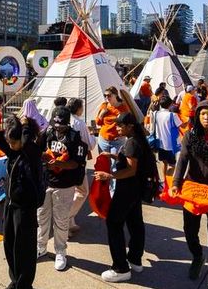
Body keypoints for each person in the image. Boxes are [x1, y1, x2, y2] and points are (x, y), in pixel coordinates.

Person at [169, 101, 208, 289]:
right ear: (197, 116)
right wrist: (176, 183)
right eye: (203, 114)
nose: (207, 117)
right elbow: (182, 160)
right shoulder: (190, 136)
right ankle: (197, 255)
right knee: (189, 231)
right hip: (193, 191)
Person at [94, 113, 150, 283]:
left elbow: (131, 170)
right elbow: (131, 162)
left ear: (130, 126)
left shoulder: (132, 142)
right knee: (135, 223)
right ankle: (134, 259)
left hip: (127, 190)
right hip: (135, 190)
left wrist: (109, 175)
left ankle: (120, 268)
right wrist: (114, 157)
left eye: (120, 125)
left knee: (113, 223)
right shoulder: (136, 140)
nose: (117, 128)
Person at [0, 115, 42, 289]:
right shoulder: (13, 152)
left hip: (25, 209)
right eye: (9, 142)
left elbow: (27, 145)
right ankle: (15, 281)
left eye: (14, 142)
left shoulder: (32, 154)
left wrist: (25, 127)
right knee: (9, 244)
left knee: (24, 250)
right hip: (10, 206)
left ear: (23, 139)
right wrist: (13, 123)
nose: (10, 146)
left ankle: (24, 285)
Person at [38, 107, 87, 271]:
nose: (58, 127)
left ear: (68, 123)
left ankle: (60, 251)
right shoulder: (48, 133)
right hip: (46, 183)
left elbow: (77, 162)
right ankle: (41, 247)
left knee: (61, 220)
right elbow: (39, 150)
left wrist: (60, 164)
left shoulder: (74, 137)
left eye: (61, 125)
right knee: (42, 217)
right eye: (56, 124)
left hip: (65, 185)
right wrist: (44, 156)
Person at [67, 98, 96, 236]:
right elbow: (89, 144)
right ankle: (66, 219)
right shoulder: (79, 123)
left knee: (69, 192)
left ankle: (70, 221)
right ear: (79, 108)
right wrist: (92, 135)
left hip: (63, 161)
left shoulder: (62, 118)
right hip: (77, 162)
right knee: (82, 191)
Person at [148, 96, 183, 184]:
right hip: (170, 144)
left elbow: (152, 126)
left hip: (159, 143)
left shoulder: (155, 113)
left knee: (164, 163)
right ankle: (169, 183)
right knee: (172, 165)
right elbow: (180, 125)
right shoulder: (172, 115)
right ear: (170, 104)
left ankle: (163, 181)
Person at [96, 87, 129, 155]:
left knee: (115, 164)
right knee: (104, 163)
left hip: (117, 141)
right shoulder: (104, 105)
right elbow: (98, 123)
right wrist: (101, 114)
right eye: (105, 95)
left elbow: (127, 123)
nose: (107, 97)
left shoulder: (123, 107)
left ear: (116, 95)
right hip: (103, 139)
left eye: (109, 95)